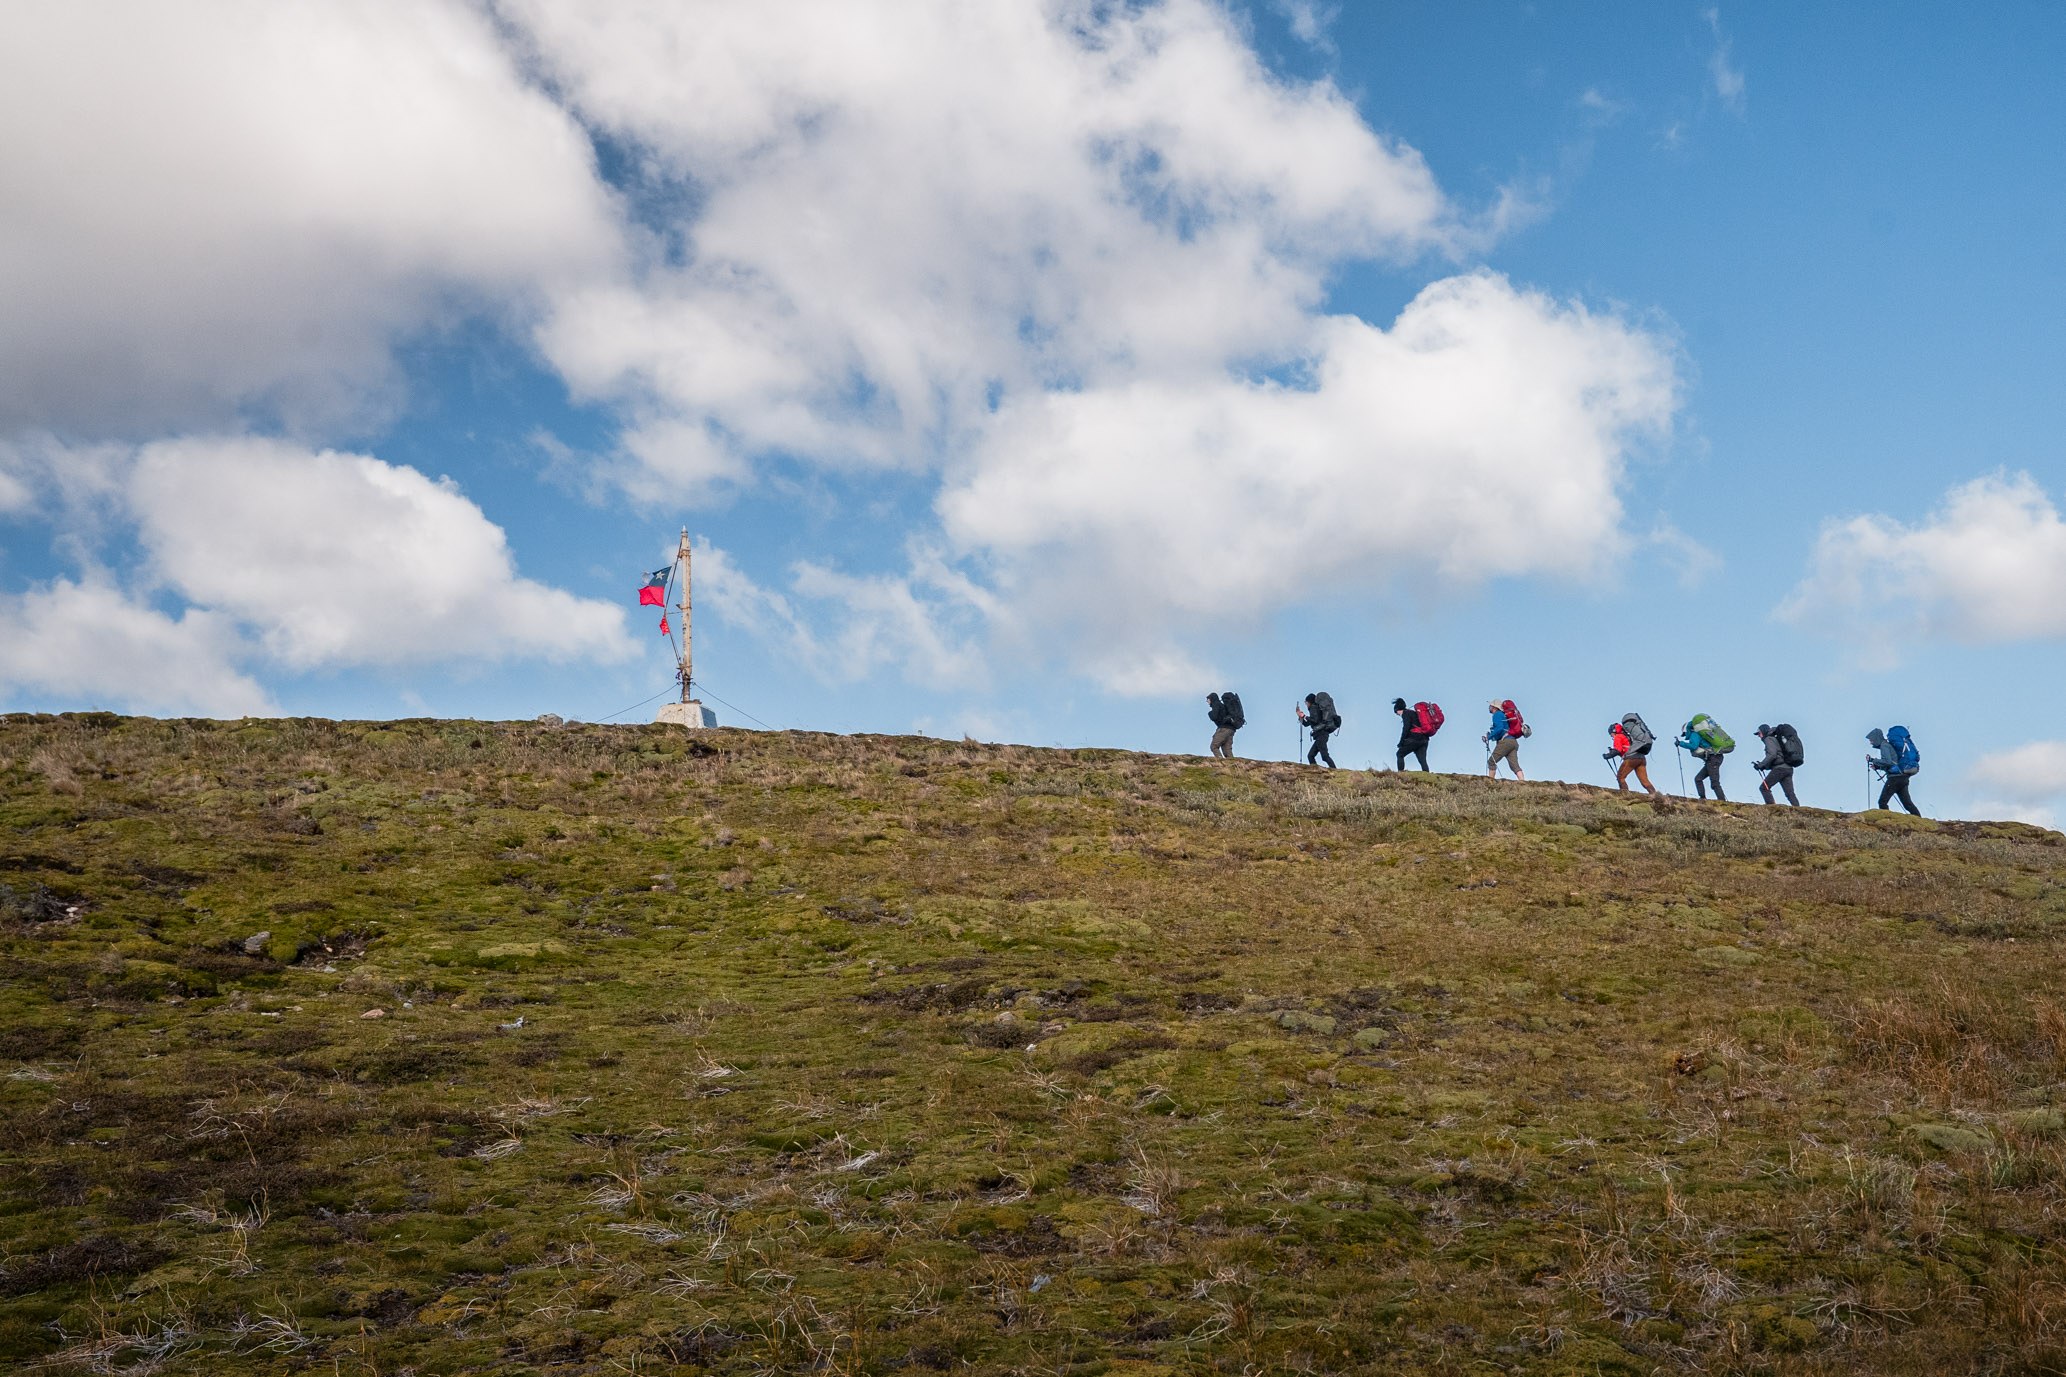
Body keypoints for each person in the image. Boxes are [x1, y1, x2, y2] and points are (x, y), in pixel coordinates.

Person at [1867, 726, 1922, 815]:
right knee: (1907, 804)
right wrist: (1878, 767)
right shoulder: (1887, 745)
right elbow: (1893, 763)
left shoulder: (1884, 746)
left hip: (1895, 779)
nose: (1870, 742)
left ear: (1876, 738)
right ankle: (1920, 821)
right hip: (1903, 777)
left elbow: (1888, 762)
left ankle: (1886, 821)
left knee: (1882, 801)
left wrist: (1872, 760)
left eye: (1871, 740)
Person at [1678, 714, 1731, 801]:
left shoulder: (1694, 735)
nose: (1685, 736)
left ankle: (1722, 802)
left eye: (1684, 734)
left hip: (1712, 758)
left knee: (1714, 783)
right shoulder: (1697, 734)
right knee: (1698, 779)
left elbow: (1694, 746)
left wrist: (1681, 743)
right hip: (1713, 758)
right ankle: (1703, 798)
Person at [1606, 714, 1659, 796]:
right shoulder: (1629, 736)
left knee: (1620, 777)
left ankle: (1625, 796)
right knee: (1645, 781)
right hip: (1641, 758)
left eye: (1611, 734)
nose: (1611, 736)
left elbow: (1618, 750)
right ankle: (1656, 796)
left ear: (1614, 731)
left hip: (1631, 759)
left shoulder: (1618, 737)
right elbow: (1626, 748)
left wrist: (1608, 755)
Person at [1753, 724, 1801, 806]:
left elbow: (1772, 754)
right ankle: (1799, 812)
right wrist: (1764, 766)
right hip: (1788, 768)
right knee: (1790, 794)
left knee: (1764, 788)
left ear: (1763, 732)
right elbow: (1778, 756)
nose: (1759, 736)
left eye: (1759, 733)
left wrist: (1761, 765)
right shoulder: (1776, 738)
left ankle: (1771, 808)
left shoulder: (1769, 739)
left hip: (1780, 769)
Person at [1483, 699, 1525, 780]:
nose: (1489, 707)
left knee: (1492, 761)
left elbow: (1499, 728)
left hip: (1505, 742)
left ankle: (1490, 782)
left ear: (1495, 707)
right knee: (1515, 766)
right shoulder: (1504, 715)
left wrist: (1488, 737)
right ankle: (1523, 783)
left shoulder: (1497, 715)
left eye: (1491, 706)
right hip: (1513, 742)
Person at [1298, 693, 1339, 768]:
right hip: (1321, 735)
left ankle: (1334, 771)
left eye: (1306, 702)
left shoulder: (1314, 708)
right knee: (1311, 756)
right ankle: (1315, 770)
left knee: (1324, 756)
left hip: (1321, 734)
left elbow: (1315, 720)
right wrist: (1300, 717)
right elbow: (1308, 723)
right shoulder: (1315, 708)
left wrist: (1304, 716)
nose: (1306, 704)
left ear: (1310, 702)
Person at [1393, 697, 1430, 771]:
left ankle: (1401, 774)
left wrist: (1401, 742)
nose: (1398, 715)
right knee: (1422, 760)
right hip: (1424, 739)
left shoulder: (1405, 713)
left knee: (1399, 754)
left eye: (1397, 713)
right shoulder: (1414, 713)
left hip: (1414, 739)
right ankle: (1428, 777)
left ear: (1398, 710)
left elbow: (1406, 728)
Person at [1206, 691, 1244, 759]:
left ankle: (1220, 761)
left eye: (1208, 700)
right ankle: (1233, 766)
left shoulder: (1216, 704)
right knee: (1227, 750)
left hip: (1223, 729)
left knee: (1214, 746)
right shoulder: (1223, 706)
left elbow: (1214, 716)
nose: (1207, 701)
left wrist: (1210, 713)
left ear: (1211, 699)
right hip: (1231, 729)